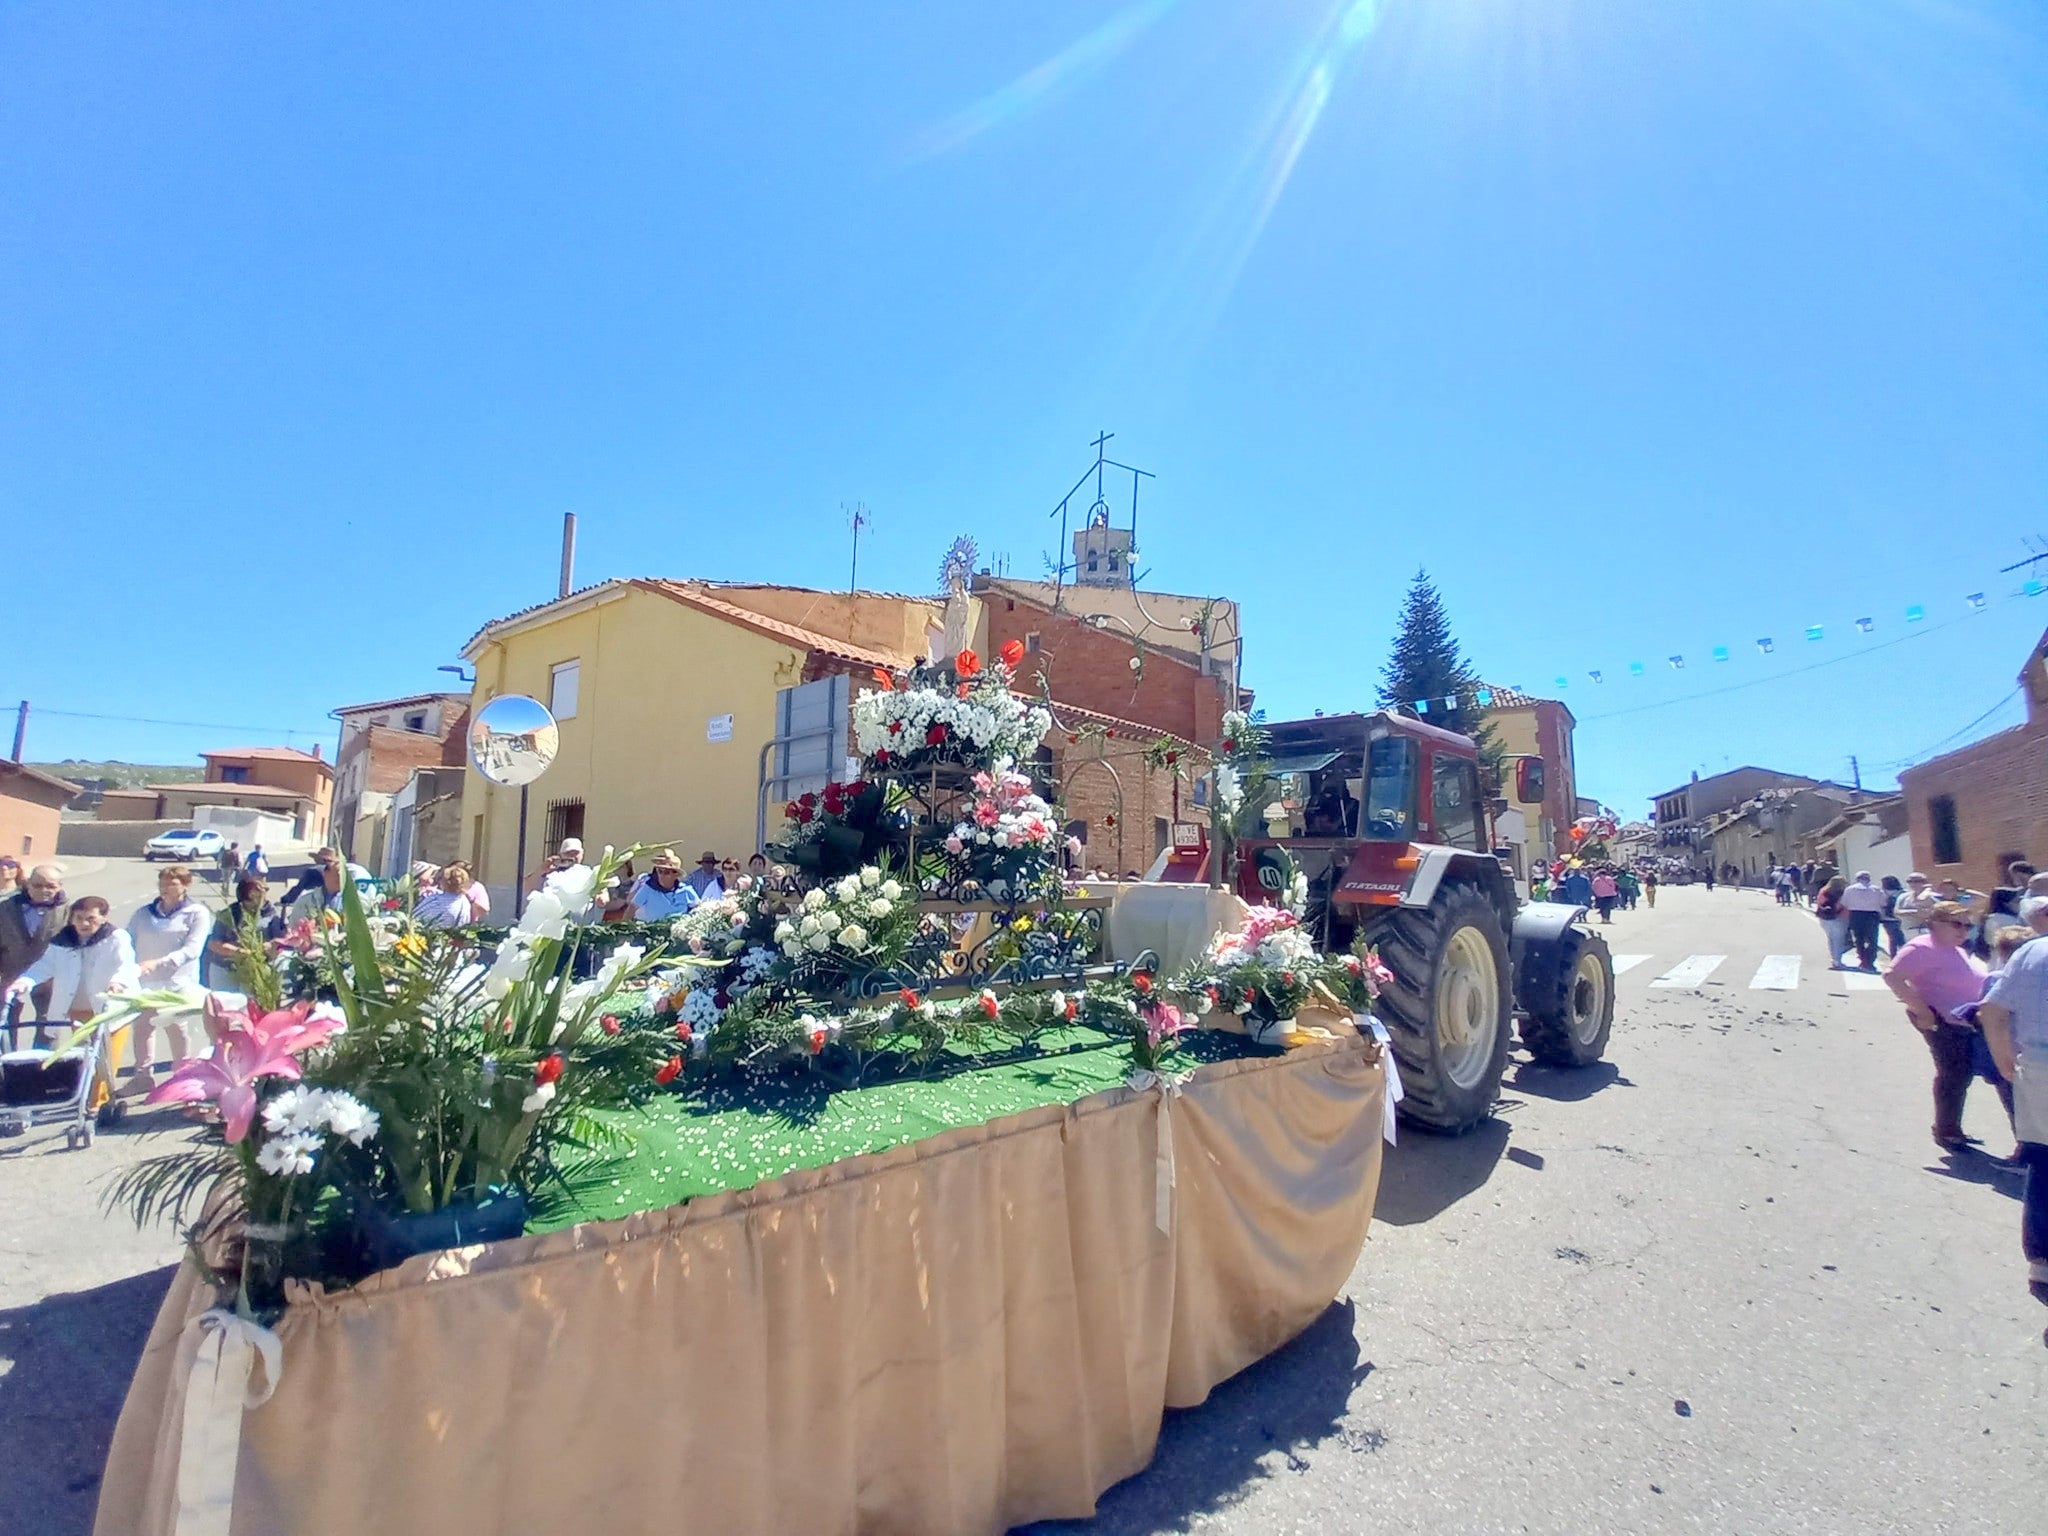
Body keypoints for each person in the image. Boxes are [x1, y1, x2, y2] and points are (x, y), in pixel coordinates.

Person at [1973, 896, 2048, 1310]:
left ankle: (2042, 1261)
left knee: (2042, 1161)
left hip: (2038, 1067)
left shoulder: (2033, 950)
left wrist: (2004, 1059)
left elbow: (1992, 1010)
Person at [1884, 901, 1994, 1151]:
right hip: (1942, 1021)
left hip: (1964, 1021)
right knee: (1953, 1075)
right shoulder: (1922, 947)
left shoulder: (1956, 948)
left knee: (1961, 1074)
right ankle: (1946, 1130)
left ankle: (1951, 1127)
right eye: (1957, 924)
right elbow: (1892, 976)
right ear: (1935, 923)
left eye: (1967, 925)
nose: (1963, 930)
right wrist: (1921, 1011)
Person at [122, 866, 211, 1093]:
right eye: (162, 881)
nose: (165, 886)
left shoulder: (196, 913)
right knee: (142, 1027)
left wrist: (160, 962)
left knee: (175, 1028)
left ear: (185, 885)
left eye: (172, 882)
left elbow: (192, 950)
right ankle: (143, 1077)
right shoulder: (144, 913)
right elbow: (127, 941)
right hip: (146, 982)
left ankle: (182, 1077)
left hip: (177, 983)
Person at [5, 897, 139, 1047]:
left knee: (107, 1064)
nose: (84, 923)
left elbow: (126, 964)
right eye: (79, 918)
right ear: (72, 918)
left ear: (103, 918)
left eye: (91, 918)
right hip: (79, 1012)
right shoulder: (62, 940)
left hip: (110, 1011)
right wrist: (24, 981)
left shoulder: (116, 938)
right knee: (84, 1063)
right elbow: (44, 966)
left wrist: (117, 981)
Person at [1, 862, 69, 1038]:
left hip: (50, 976)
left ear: (60, 886)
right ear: (28, 885)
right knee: (6, 1018)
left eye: (51, 886)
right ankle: (8, 1060)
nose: (44, 890)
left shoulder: (69, 911)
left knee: (48, 1023)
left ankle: (43, 1062)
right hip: (11, 971)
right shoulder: (6, 908)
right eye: (38, 885)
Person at [205, 875, 278, 988]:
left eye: (265, 889)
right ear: (249, 893)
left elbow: (282, 939)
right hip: (225, 969)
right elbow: (214, 943)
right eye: (260, 889)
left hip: (258, 970)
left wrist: (271, 945)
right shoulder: (229, 914)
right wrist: (240, 952)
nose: (265, 893)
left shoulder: (271, 913)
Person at [630, 850, 700, 922]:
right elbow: (631, 909)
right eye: (660, 871)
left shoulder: (686, 890)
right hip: (650, 930)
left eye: (666, 872)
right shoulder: (648, 889)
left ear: (676, 874)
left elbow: (699, 910)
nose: (662, 875)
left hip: (677, 931)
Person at [1840, 872, 1888, 972]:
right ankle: (1870, 961)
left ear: (1857, 879)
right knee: (1873, 939)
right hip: (1872, 915)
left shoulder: (1850, 889)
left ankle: (1863, 959)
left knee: (1859, 938)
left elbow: (1844, 903)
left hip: (1856, 914)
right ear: (1869, 879)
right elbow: (1883, 903)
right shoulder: (1877, 889)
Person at [288, 855, 349, 926]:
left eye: (343, 875)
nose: (340, 878)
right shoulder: (306, 901)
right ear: (325, 874)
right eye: (337, 873)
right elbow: (294, 927)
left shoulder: (354, 901)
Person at [414, 865, 475, 929]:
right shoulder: (465, 904)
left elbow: (415, 918)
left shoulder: (435, 900)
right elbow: (463, 927)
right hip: (450, 937)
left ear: (444, 882)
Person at [1814, 876, 1850, 968]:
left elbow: (1819, 903)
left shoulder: (1823, 892)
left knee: (1831, 938)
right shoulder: (1844, 892)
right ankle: (1837, 960)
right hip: (1841, 917)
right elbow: (1846, 904)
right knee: (1839, 940)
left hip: (1825, 918)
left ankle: (1834, 959)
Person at [1894, 872, 1939, 943]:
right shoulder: (1903, 896)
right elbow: (1896, 912)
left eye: (1916, 881)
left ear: (1924, 882)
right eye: (1909, 881)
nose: (1913, 884)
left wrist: (1906, 913)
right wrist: (1915, 912)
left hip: (1927, 930)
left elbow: (1931, 914)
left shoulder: (1933, 896)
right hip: (1908, 930)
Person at [1878, 874, 1908, 957]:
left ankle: (1894, 958)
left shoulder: (1881, 893)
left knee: (1892, 940)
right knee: (1903, 940)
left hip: (1887, 919)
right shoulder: (1903, 892)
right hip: (1900, 918)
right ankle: (1905, 957)